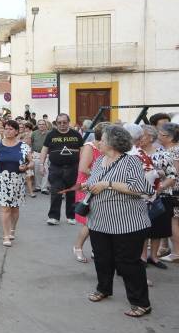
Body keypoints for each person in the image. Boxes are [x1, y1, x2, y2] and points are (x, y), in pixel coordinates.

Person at [83, 125, 153, 318]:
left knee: (128, 263)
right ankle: (103, 288)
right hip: (99, 221)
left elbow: (141, 189)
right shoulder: (98, 161)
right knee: (102, 258)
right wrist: (88, 186)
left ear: (113, 142)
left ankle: (141, 303)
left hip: (127, 223)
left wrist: (108, 184)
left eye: (102, 139)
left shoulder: (131, 162)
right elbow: (96, 182)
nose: (99, 142)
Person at [0, 120, 31, 247]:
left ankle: (12, 229)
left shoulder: (23, 146)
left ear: (17, 131)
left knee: (14, 209)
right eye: (6, 128)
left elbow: (31, 162)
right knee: (5, 208)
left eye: (11, 129)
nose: (8, 131)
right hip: (1, 181)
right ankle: (5, 235)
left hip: (17, 181)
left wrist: (26, 167)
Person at [137, 125, 176, 269]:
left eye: (143, 135)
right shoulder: (136, 154)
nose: (140, 138)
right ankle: (141, 257)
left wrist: (158, 190)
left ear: (151, 138)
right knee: (143, 229)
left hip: (161, 197)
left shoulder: (162, 154)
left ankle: (153, 257)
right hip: (140, 198)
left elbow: (172, 176)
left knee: (158, 229)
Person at [69, 122, 107, 263]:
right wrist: (103, 177)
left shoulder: (106, 148)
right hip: (87, 186)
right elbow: (83, 168)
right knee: (90, 221)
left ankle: (95, 250)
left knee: (98, 220)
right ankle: (78, 247)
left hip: (100, 187)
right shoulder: (89, 147)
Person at [39, 114, 83, 225]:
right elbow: (44, 150)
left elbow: (82, 151)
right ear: (56, 123)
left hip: (73, 168)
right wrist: (41, 164)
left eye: (64, 122)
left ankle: (71, 216)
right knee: (55, 193)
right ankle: (54, 217)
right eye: (59, 122)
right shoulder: (51, 135)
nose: (62, 124)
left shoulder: (76, 134)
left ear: (69, 122)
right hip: (56, 168)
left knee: (71, 193)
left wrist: (82, 166)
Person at [157, 123, 179, 262]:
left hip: (173, 191)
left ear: (168, 137)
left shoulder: (174, 151)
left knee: (173, 222)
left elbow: (175, 173)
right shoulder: (171, 149)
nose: (158, 136)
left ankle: (177, 253)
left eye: (160, 134)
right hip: (171, 190)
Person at [31, 119, 50, 194]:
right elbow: (31, 142)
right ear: (37, 125)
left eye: (43, 124)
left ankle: (44, 188)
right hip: (36, 154)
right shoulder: (34, 133)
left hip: (46, 154)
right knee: (36, 170)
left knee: (45, 170)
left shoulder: (49, 133)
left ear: (46, 125)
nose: (41, 125)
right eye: (40, 124)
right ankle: (38, 187)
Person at [18, 121, 35, 197]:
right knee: (19, 178)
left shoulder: (27, 146)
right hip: (19, 163)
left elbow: (30, 157)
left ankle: (31, 192)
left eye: (28, 139)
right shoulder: (18, 145)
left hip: (26, 163)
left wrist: (29, 162)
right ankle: (20, 192)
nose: (28, 140)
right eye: (26, 139)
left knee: (28, 178)